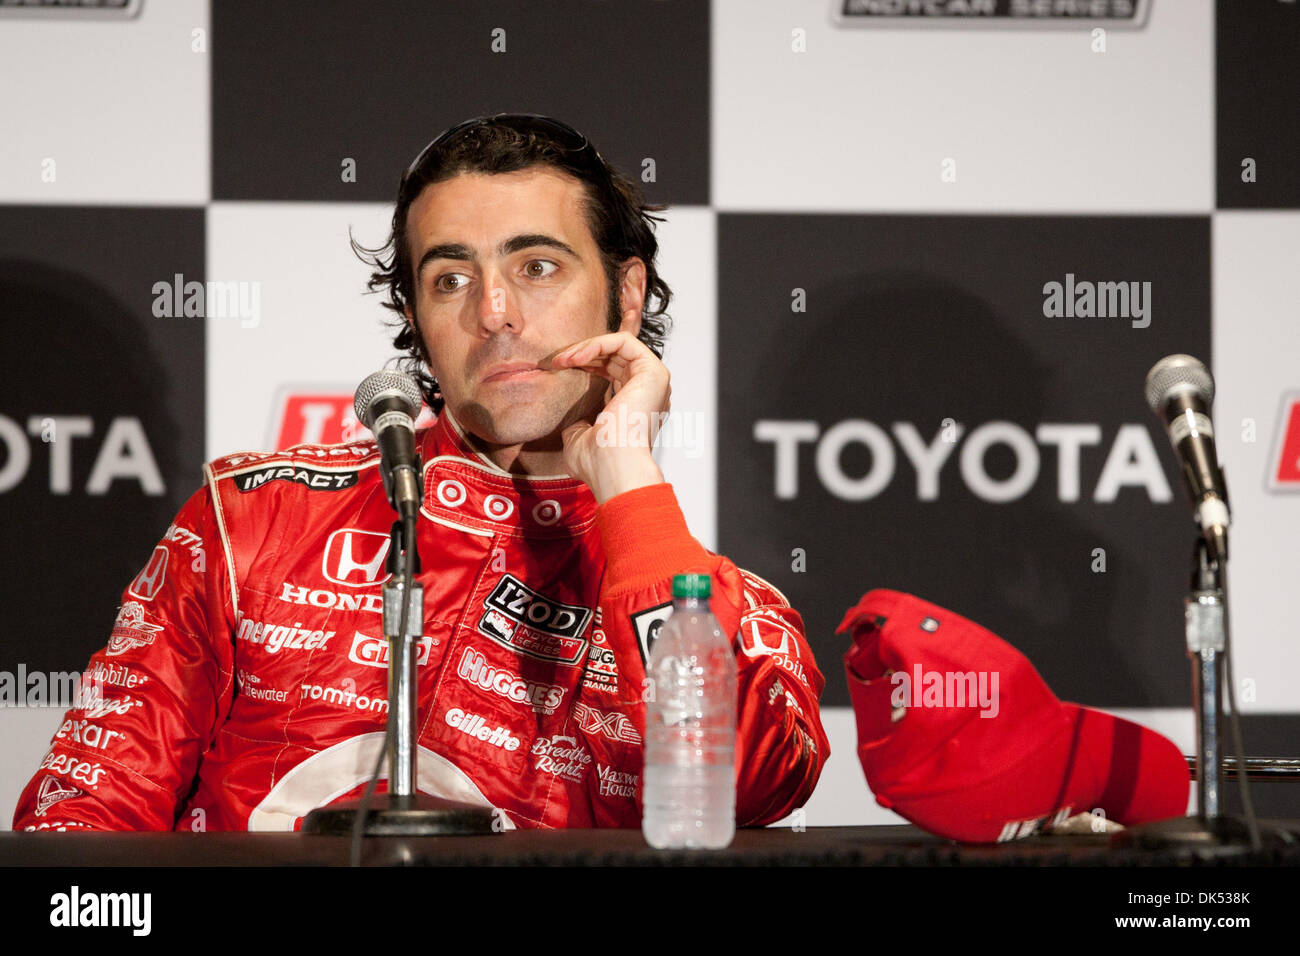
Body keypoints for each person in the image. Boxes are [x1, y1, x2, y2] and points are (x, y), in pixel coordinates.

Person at [13, 114, 829, 832]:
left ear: (626, 293)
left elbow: (742, 782)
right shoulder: (251, 517)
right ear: (414, 315)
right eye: (450, 278)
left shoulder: (732, 608)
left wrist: (623, 476)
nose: (494, 311)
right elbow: (84, 815)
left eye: (537, 266)